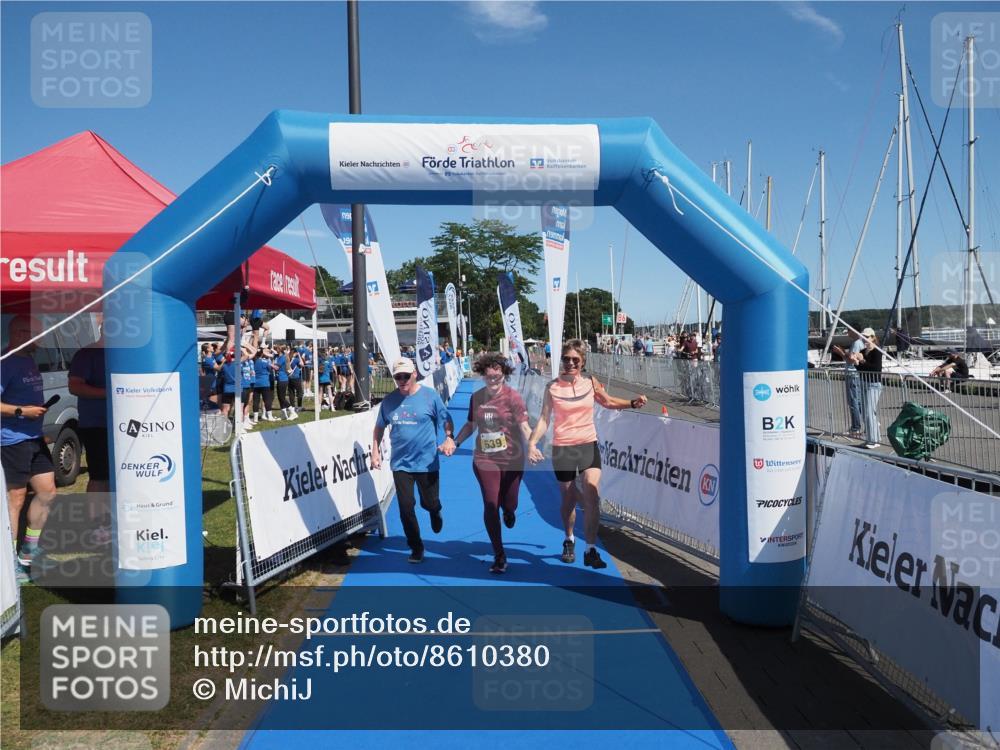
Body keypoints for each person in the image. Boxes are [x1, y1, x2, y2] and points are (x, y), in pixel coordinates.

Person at [526, 339, 647, 569]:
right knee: (569, 499)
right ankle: (569, 538)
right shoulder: (552, 387)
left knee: (592, 495)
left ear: (582, 362)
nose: (570, 363)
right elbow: (543, 419)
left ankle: (590, 549)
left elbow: (608, 401)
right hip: (563, 449)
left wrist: (632, 403)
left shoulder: (591, 383)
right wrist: (532, 443)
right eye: (566, 359)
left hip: (587, 445)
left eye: (575, 360)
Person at [371, 358, 455, 564]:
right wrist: (375, 451)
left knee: (430, 502)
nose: (402, 380)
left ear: (414, 374)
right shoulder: (389, 401)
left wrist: (449, 438)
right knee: (406, 508)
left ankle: (435, 510)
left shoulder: (430, 396)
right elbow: (379, 427)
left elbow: (446, 419)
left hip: (427, 462)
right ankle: (416, 547)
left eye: (405, 376)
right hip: (401, 464)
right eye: (398, 377)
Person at [453, 353, 531, 574]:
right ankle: (499, 554)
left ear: (504, 375)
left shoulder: (513, 397)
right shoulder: (477, 397)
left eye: (497, 376)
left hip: (512, 459)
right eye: (489, 377)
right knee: (490, 503)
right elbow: (470, 424)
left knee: (510, 502)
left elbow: (524, 427)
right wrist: (455, 442)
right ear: (483, 376)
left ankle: (509, 511)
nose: (493, 380)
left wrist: (533, 446)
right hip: (485, 459)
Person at [1, 316, 57, 582]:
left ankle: (28, 552)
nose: (41, 339)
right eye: (36, 334)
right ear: (20, 334)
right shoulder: (5, 362)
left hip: (33, 438)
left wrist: (38, 427)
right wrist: (22, 412)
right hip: (12, 440)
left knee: (47, 492)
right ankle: (9, 563)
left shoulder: (29, 360)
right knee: (16, 498)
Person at [68, 320, 111, 545]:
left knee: (119, 475)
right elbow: (75, 386)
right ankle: (97, 525)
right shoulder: (87, 354)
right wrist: (110, 392)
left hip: (124, 424)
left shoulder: (125, 353)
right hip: (96, 424)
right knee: (100, 476)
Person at [832, 328, 865, 437]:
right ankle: (868, 423)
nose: (847, 333)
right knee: (858, 401)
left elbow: (851, 360)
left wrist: (840, 352)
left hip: (853, 375)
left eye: (849, 331)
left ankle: (855, 427)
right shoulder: (859, 343)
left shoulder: (856, 343)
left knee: (853, 401)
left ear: (855, 331)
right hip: (855, 375)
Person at [856, 327, 883, 449]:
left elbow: (876, 369)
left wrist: (862, 361)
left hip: (874, 384)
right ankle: (870, 438)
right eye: (863, 337)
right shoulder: (862, 350)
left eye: (866, 337)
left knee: (869, 411)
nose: (864, 339)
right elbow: (861, 369)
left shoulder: (877, 351)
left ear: (873, 337)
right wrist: (856, 362)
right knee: (866, 412)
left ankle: (874, 440)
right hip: (864, 382)